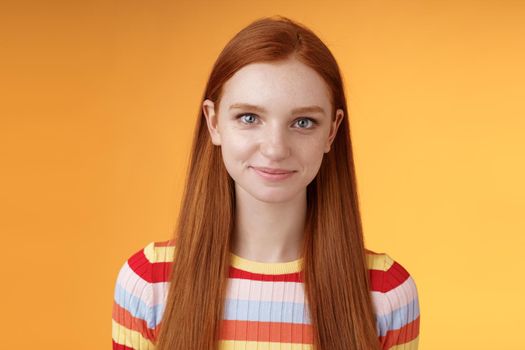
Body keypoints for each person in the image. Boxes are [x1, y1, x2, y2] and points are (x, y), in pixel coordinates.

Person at [111, 15, 420, 350]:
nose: (275, 149)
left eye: (303, 122)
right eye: (249, 118)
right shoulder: (148, 283)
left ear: (332, 130)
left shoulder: (386, 291)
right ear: (214, 123)